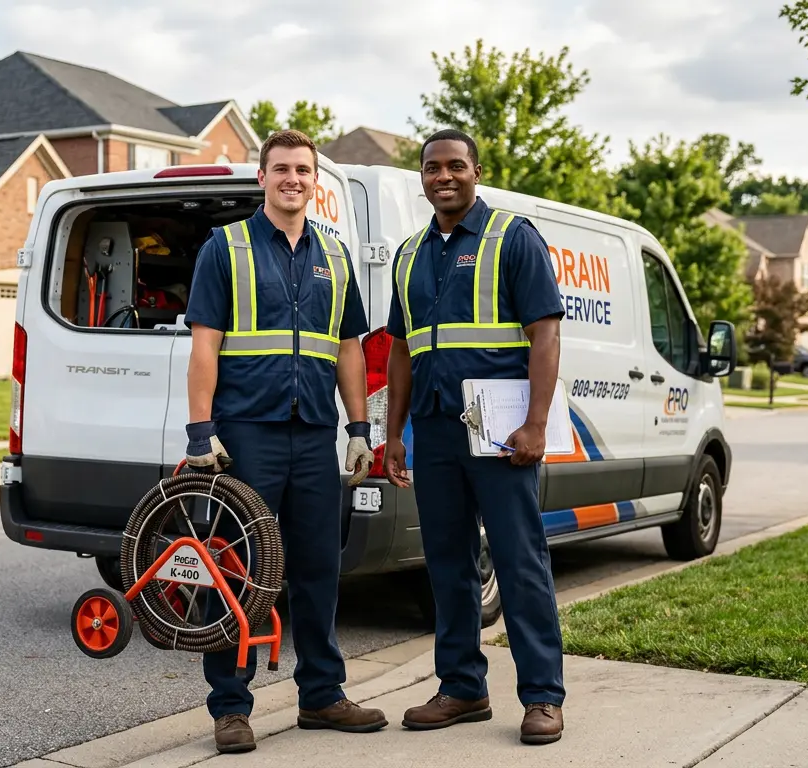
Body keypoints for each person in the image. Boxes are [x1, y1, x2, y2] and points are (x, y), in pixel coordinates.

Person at [183, 128, 386, 754]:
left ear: (315, 180)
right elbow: (205, 345)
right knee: (236, 569)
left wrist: (358, 427)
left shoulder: (335, 255)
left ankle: (322, 696)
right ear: (262, 177)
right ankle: (230, 707)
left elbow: (348, 347)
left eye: (303, 169)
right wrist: (200, 432)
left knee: (319, 568)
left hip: (313, 436)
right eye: (280, 169)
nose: (292, 178)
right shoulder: (227, 249)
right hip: (247, 435)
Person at [381, 128, 567, 744]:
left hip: (500, 431)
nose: (444, 176)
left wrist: (537, 422)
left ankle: (542, 696)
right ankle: (462, 687)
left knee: (519, 562)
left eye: (455, 165)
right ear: (423, 178)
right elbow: (403, 351)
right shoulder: (409, 255)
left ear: (476, 171)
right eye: (433, 168)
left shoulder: (512, 238)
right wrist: (394, 431)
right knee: (447, 564)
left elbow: (544, 333)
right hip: (434, 431)